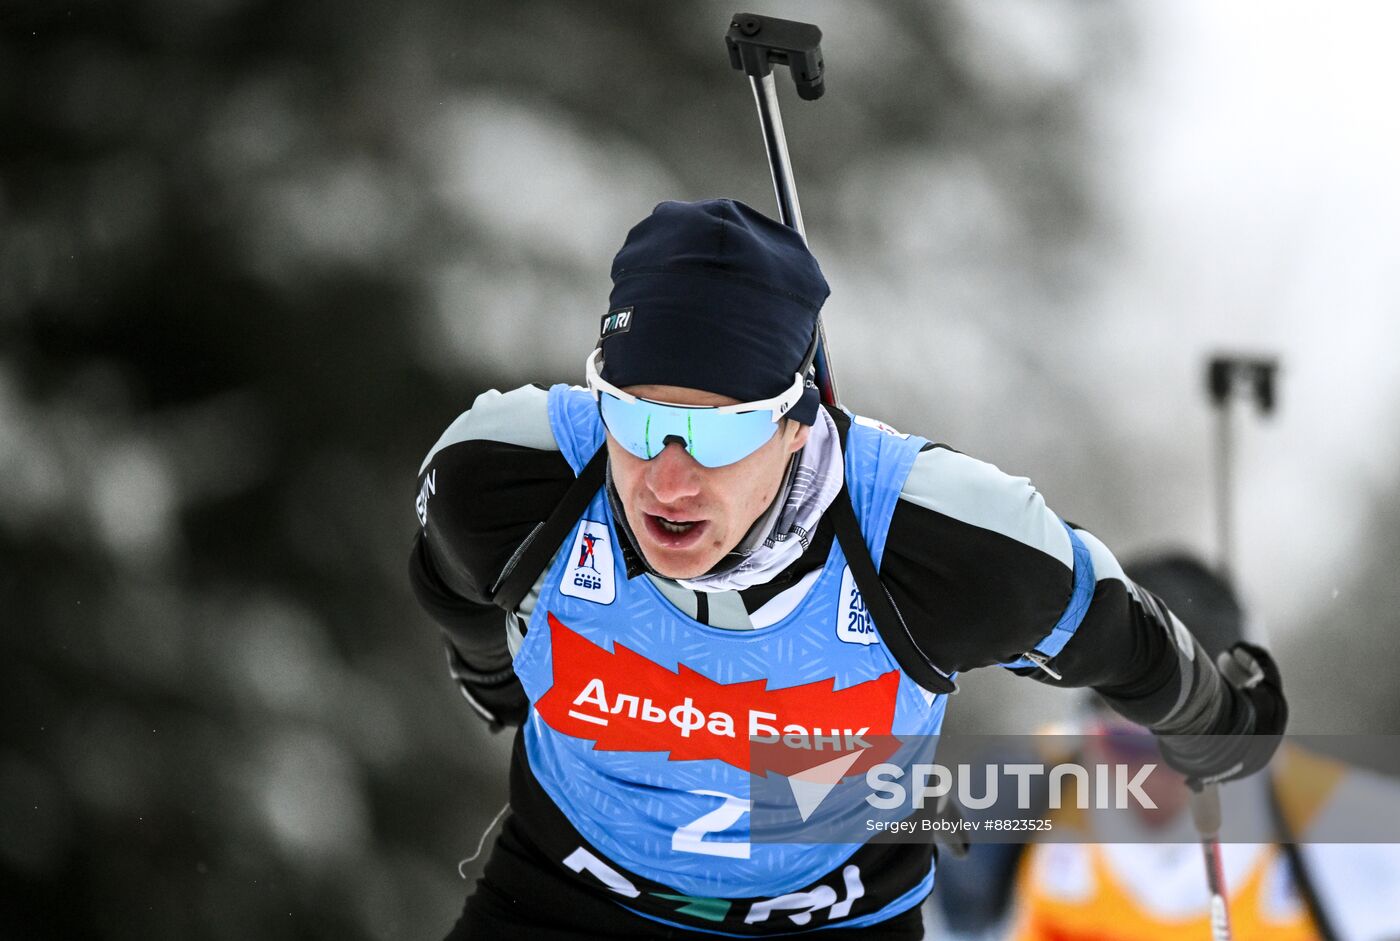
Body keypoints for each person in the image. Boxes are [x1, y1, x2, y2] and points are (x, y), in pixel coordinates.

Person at [408, 198, 1288, 939]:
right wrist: (492, 675)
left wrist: (1218, 718)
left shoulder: (940, 541)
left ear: (798, 419)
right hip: (562, 901)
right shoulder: (511, 476)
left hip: (836, 915)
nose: (666, 478)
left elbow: (1120, 639)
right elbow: (455, 584)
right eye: (636, 419)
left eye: (717, 431)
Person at [929, 552, 1400, 941]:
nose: (1153, 777)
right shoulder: (1021, 793)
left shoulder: (1340, 826)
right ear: (1088, 725)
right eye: (1128, 746)